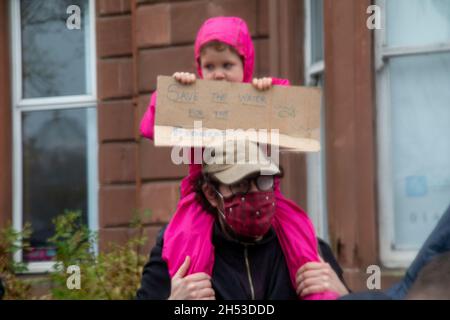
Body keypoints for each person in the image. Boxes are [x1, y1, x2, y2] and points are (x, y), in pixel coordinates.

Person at [138, 16, 339, 300]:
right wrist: (174, 93)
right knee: (188, 251)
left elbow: (293, 114)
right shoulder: (195, 102)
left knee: (302, 244)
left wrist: (271, 90)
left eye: (228, 65)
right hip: (196, 206)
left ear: (246, 67)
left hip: (277, 207)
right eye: (209, 67)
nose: (218, 74)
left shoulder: (255, 100)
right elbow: (150, 125)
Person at [137, 141, 345, 299]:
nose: (255, 193)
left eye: (263, 181)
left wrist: (344, 294)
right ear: (211, 193)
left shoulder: (308, 249)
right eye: (241, 184)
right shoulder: (177, 254)